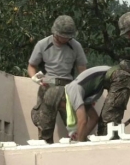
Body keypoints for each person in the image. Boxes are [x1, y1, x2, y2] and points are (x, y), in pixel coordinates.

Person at [34, 61, 130, 142]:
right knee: (104, 124)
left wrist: (79, 144)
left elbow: (82, 121)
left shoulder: (72, 92)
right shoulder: (80, 95)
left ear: (61, 99)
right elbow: (93, 118)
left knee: (107, 121)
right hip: (114, 78)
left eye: (60, 107)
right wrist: (81, 136)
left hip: (119, 77)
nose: (62, 109)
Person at [29, 15, 88, 143]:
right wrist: (34, 77)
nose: (67, 39)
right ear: (56, 33)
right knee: (44, 127)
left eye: (69, 37)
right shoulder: (43, 44)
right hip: (47, 86)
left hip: (67, 88)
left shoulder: (75, 46)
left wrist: (84, 91)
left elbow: (82, 69)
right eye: (64, 36)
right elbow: (31, 65)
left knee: (75, 127)